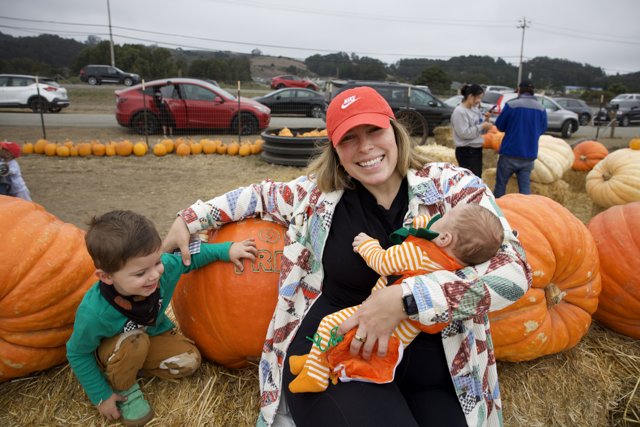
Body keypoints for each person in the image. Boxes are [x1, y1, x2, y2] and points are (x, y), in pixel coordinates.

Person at [162, 86, 531, 427]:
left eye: (374, 131)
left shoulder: (453, 186)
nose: (366, 147)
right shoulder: (316, 197)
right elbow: (259, 195)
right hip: (335, 359)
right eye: (349, 138)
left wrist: (405, 301)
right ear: (335, 150)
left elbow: (514, 272)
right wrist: (190, 218)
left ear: (394, 130)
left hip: (436, 369)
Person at [66, 210, 257, 426]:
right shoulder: (95, 312)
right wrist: (101, 396)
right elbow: (77, 353)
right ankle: (124, 386)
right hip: (118, 347)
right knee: (134, 342)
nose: (155, 274)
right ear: (106, 277)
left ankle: (133, 367)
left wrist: (227, 250)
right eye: (140, 273)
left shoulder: (162, 272)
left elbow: (191, 258)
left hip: (148, 338)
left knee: (190, 360)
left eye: (157, 262)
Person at [288, 203, 504, 393]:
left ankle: (315, 377)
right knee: (348, 340)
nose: (436, 218)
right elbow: (428, 227)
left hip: (381, 321)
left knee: (330, 325)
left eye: (443, 217)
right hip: (402, 336)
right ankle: (315, 362)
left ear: (445, 238)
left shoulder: (416, 254)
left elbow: (383, 262)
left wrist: (366, 245)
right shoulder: (452, 270)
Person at [493, 80, 548, 198]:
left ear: (519, 90)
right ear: (533, 91)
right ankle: (525, 212)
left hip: (509, 153)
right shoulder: (541, 108)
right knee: (524, 189)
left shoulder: (511, 105)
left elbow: (500, 126)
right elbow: (542, 129)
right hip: (529, 154)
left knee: (501, 185)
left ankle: (497, 212)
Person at [451, 84, 494, 177]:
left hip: (476, 150)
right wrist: (482, 126)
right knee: (469, 181)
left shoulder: (475, 110)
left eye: (480, 98)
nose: (479, 101)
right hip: (466, 151)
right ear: (470, 96)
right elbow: (464, 134)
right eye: (478, 98)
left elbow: (480, 131)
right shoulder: (460, 111)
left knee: (477, 179)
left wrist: (486, 120)